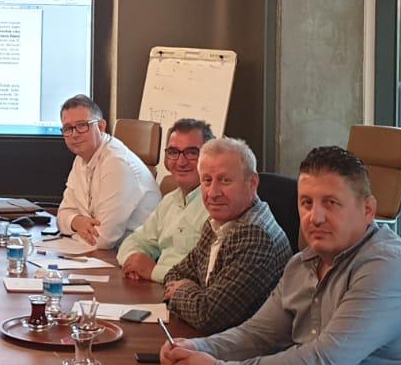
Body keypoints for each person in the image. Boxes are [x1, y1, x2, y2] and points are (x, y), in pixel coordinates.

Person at [160, 146, 401, 365]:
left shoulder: (389, 268)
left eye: (331, 203)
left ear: (368, 210)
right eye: (306, 203)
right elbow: (258, 335)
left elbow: (324, 362)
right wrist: (198, 348)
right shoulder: (302, 264)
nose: (315, 217)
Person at [161, 137, 291, 334]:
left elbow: (207, 316)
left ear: (252, 183)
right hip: (209, 340)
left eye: (224, 180)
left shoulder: (255, 236)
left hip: (244, 350)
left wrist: (182, 291)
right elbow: (175, 274)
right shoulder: (217, 221)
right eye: (207, 180)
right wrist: (196, 295)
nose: (213, 193)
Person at [54, 94, 159, 250]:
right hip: (102, 253)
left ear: (101, 127)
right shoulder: (81, 158)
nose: (74, 134)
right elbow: (62, 215)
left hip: (133, 255)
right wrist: (76, 221)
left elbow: (102, 240)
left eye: (82, 125)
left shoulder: (117, 163)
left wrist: (72, 230)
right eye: (68, 128)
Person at [118, 118, 213, 282]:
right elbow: (136, 240)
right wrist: (133, 261)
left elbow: (208, 275)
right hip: (154, 287)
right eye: (173, 152)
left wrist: (153, 271)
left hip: (188, 293)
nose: (181, 162)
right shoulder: (169, 201)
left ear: (209, 157)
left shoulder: (216, 205)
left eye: (191, 153)